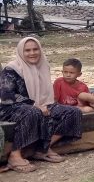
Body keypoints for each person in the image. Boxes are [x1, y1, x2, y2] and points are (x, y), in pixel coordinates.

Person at [0, 37, 82, 172]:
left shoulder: (43, 66)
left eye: (35, 49)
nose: (32, 53)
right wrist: (33, 104)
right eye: (27, 50)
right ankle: (14, 156)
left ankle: (42, 148)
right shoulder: (12, 69)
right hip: (12, 108)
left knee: (73, 112)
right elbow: (6, 96)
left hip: (42, 104)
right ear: (21, 52)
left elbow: (47, 94)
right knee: (33, 112)